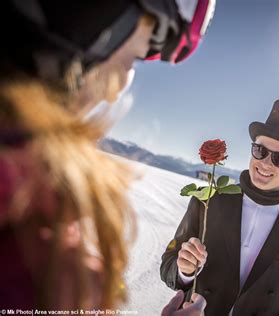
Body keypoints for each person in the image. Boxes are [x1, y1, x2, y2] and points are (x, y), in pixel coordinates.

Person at [0, 0, 215, 314]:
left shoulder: (29, 187)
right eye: (133, 57)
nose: (117, 90)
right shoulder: (27, 239)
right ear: (84, 22)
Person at [161, 99, 279, 315]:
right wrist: (185, 270)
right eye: (260, 150)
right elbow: (168, 265)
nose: (265, 163)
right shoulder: (208, 200)